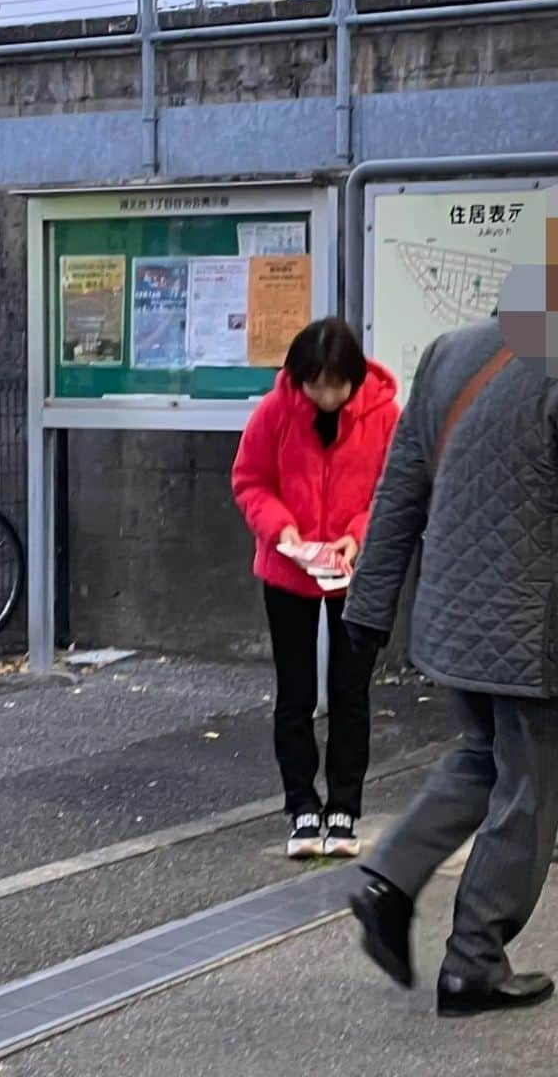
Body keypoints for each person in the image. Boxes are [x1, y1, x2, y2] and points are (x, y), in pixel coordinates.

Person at [342, 315, 558, 1017]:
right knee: (528, 791)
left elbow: (401, 487)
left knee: (484, 758)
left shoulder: (449, 350)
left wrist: (370, 608)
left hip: (456, 621)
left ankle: (390, 875)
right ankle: (473, 962)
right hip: (540, 634)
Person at [232, 317, 399, 860]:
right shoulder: (276, 410)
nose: (325, 395)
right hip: (288, 570)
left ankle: (345, 806)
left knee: (351, 693)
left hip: (356, 575)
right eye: (314, 384)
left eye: (335, 384)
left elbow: (394, 491)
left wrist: (357, 536)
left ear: (354, 377)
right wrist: (281, 528)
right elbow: (249, 479)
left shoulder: (385, 416)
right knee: (296, 694)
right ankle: (301, 804)